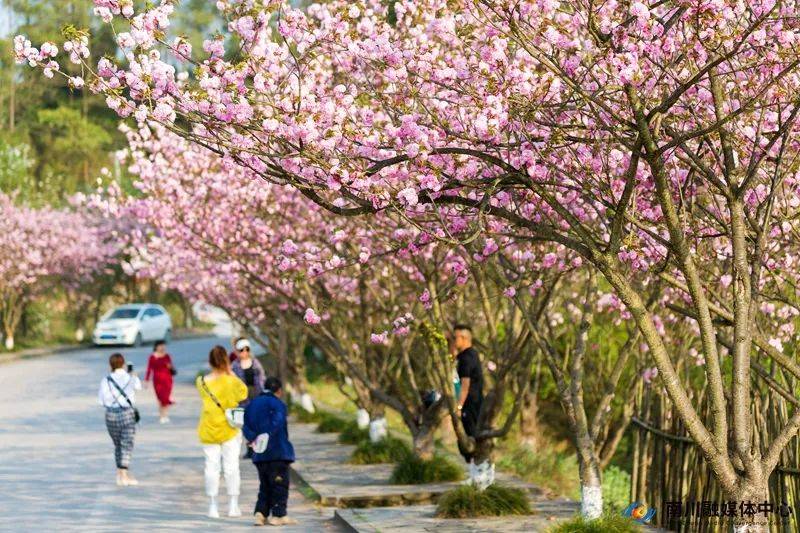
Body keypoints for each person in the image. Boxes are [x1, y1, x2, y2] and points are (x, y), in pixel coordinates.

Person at [197, 345, 248, 519]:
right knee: (231, 468)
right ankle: (233, 505)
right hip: (230, 429)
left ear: (210, 362)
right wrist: (231, 373)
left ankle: (213, 506)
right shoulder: (232, 381)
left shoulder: (201, 382)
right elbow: (243, 394)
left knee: (211, 468)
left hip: (209, 429)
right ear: (226, 360)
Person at [243, 376, 297, 526]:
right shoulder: (278, 404)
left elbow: (245, 425)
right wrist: (265, 436)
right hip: (277, 452)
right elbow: (277, 423)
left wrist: (254, 438)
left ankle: (261, 513)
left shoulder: (251, 404)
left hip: (259, 453)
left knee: (265, 484)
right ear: (279, 391)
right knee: (279, 484)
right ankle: (279, 515)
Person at [98, 352, 142, 486]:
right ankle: (124, 476)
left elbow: (101, 400)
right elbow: (138, 387)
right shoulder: (130, 377)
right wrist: (133, 375)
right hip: (126, 413)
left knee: (118, 445)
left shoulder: (106, 380)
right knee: (126, 444)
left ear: (110, 365)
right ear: (123, 364)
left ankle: (120, 474)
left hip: (110, 415)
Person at [452, 324, 484, 463]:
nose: (453, 341)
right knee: (468, 437)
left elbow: (465, 384)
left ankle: (477, 471)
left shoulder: (466, 358)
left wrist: (459, 406)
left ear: (464, 338)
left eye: (455, 337)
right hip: (473, 401)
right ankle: (474, 471)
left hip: (470, 403)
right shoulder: (469, 354)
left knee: (470, 437)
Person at [145, 340, 175, 423]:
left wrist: (170, 367)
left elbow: (171, 367)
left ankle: (165, 414)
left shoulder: (167, 356)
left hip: (167, 379)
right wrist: (146, 380)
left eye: (163, 346)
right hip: (157, 380)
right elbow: (149, 369)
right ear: (156, 347)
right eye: (160, 345)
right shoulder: (152, 357)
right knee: (160, 398)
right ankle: (162, 415)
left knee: (166, 397)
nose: (162, 347)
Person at [231, 339, 266, 406]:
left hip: (257, 398)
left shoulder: (255, 363)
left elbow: (262, 379)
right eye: (241, 350)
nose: (245, 352)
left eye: (247, 349)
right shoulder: (234, 366)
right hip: (242, 401)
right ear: (237, 351)